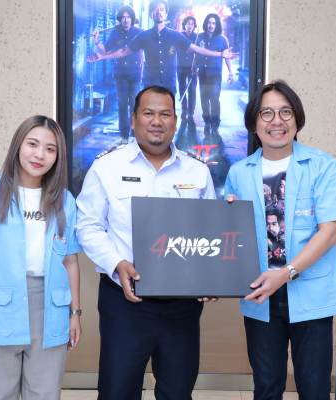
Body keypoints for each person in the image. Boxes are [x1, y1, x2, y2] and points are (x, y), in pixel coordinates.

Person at [76, 85, 216, 400]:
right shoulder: (107, 167)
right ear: (134, 119)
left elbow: (209, 232)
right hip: (125, 302)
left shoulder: (198, 171)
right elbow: (87, 225)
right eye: (149, 113)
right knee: (117, 392)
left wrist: (210, 274)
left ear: (175, 121)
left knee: (177, 392)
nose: (157, 121)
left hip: (182, 306)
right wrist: (116, 263)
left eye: (165, 114)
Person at [224, 80, 336, 399]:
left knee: (314, 388)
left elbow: (330, 231)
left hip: (311, 292)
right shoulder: (239, 173)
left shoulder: (322, 165)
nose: (277, 121)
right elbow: (230, 235)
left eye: (285, 112)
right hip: (259, 293)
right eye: (266, 113)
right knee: (267, 387)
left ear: (297, 118)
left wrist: (286, 272)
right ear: (254, 122)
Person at [0, 116, 82, 400]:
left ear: (58, 157)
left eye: (50, 149)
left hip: (50, 309)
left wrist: (75, 314)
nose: (40, 155)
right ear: (18, 145)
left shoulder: (64, 201)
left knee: (44, 393)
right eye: (32, 144)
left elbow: (70, 261)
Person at [88, 1, 236, 95]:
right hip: (150, 85)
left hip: (169, 86)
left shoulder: (175, 35)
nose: (159, 12)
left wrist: (220, 54)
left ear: (166, 14)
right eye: (156, 9)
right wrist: (102, 56)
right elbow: (123, 51)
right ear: (152, 14)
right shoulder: (143, 36)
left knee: (168, 123)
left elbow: (196, 49)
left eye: (162, 9)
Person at [91, 5, 143, 143]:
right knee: (122, 105)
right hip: (120, 75)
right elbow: (104, 51)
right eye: (123, 18)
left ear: (132, 19)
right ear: (120, 20)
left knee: (134, 106)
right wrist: (97, 41)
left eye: (128, 17)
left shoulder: (139, 32)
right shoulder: (115, 33)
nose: (126, 20)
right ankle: (124, 136)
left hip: (135, 75)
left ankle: (135, 135)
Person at [195, 13, 234, 140]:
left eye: (213, 23)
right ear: (205, 24)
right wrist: (194, 66)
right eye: (209, 23)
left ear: (216, 25)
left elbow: (227, 57)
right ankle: (207, 121)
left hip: (215, 74)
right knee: (204, 98)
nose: (211, 25)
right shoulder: (200, 37)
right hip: (202, 73)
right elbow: (196, 53)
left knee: (214, 98)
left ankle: (215, 123)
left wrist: (231, 72)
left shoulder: (222, 39)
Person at [176, 16, 198, 142]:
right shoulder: (179, 36)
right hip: (180, 66)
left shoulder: (196, 37)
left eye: (192, 24)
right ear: (184, 25)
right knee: (182, 88)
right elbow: (174, 49)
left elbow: (199, 52)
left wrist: (197, 65)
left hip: (193, 67)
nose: (190, 26)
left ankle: (191, 112)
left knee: (192, 90)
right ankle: (184, 109)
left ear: (194, 26)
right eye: (188, 23)